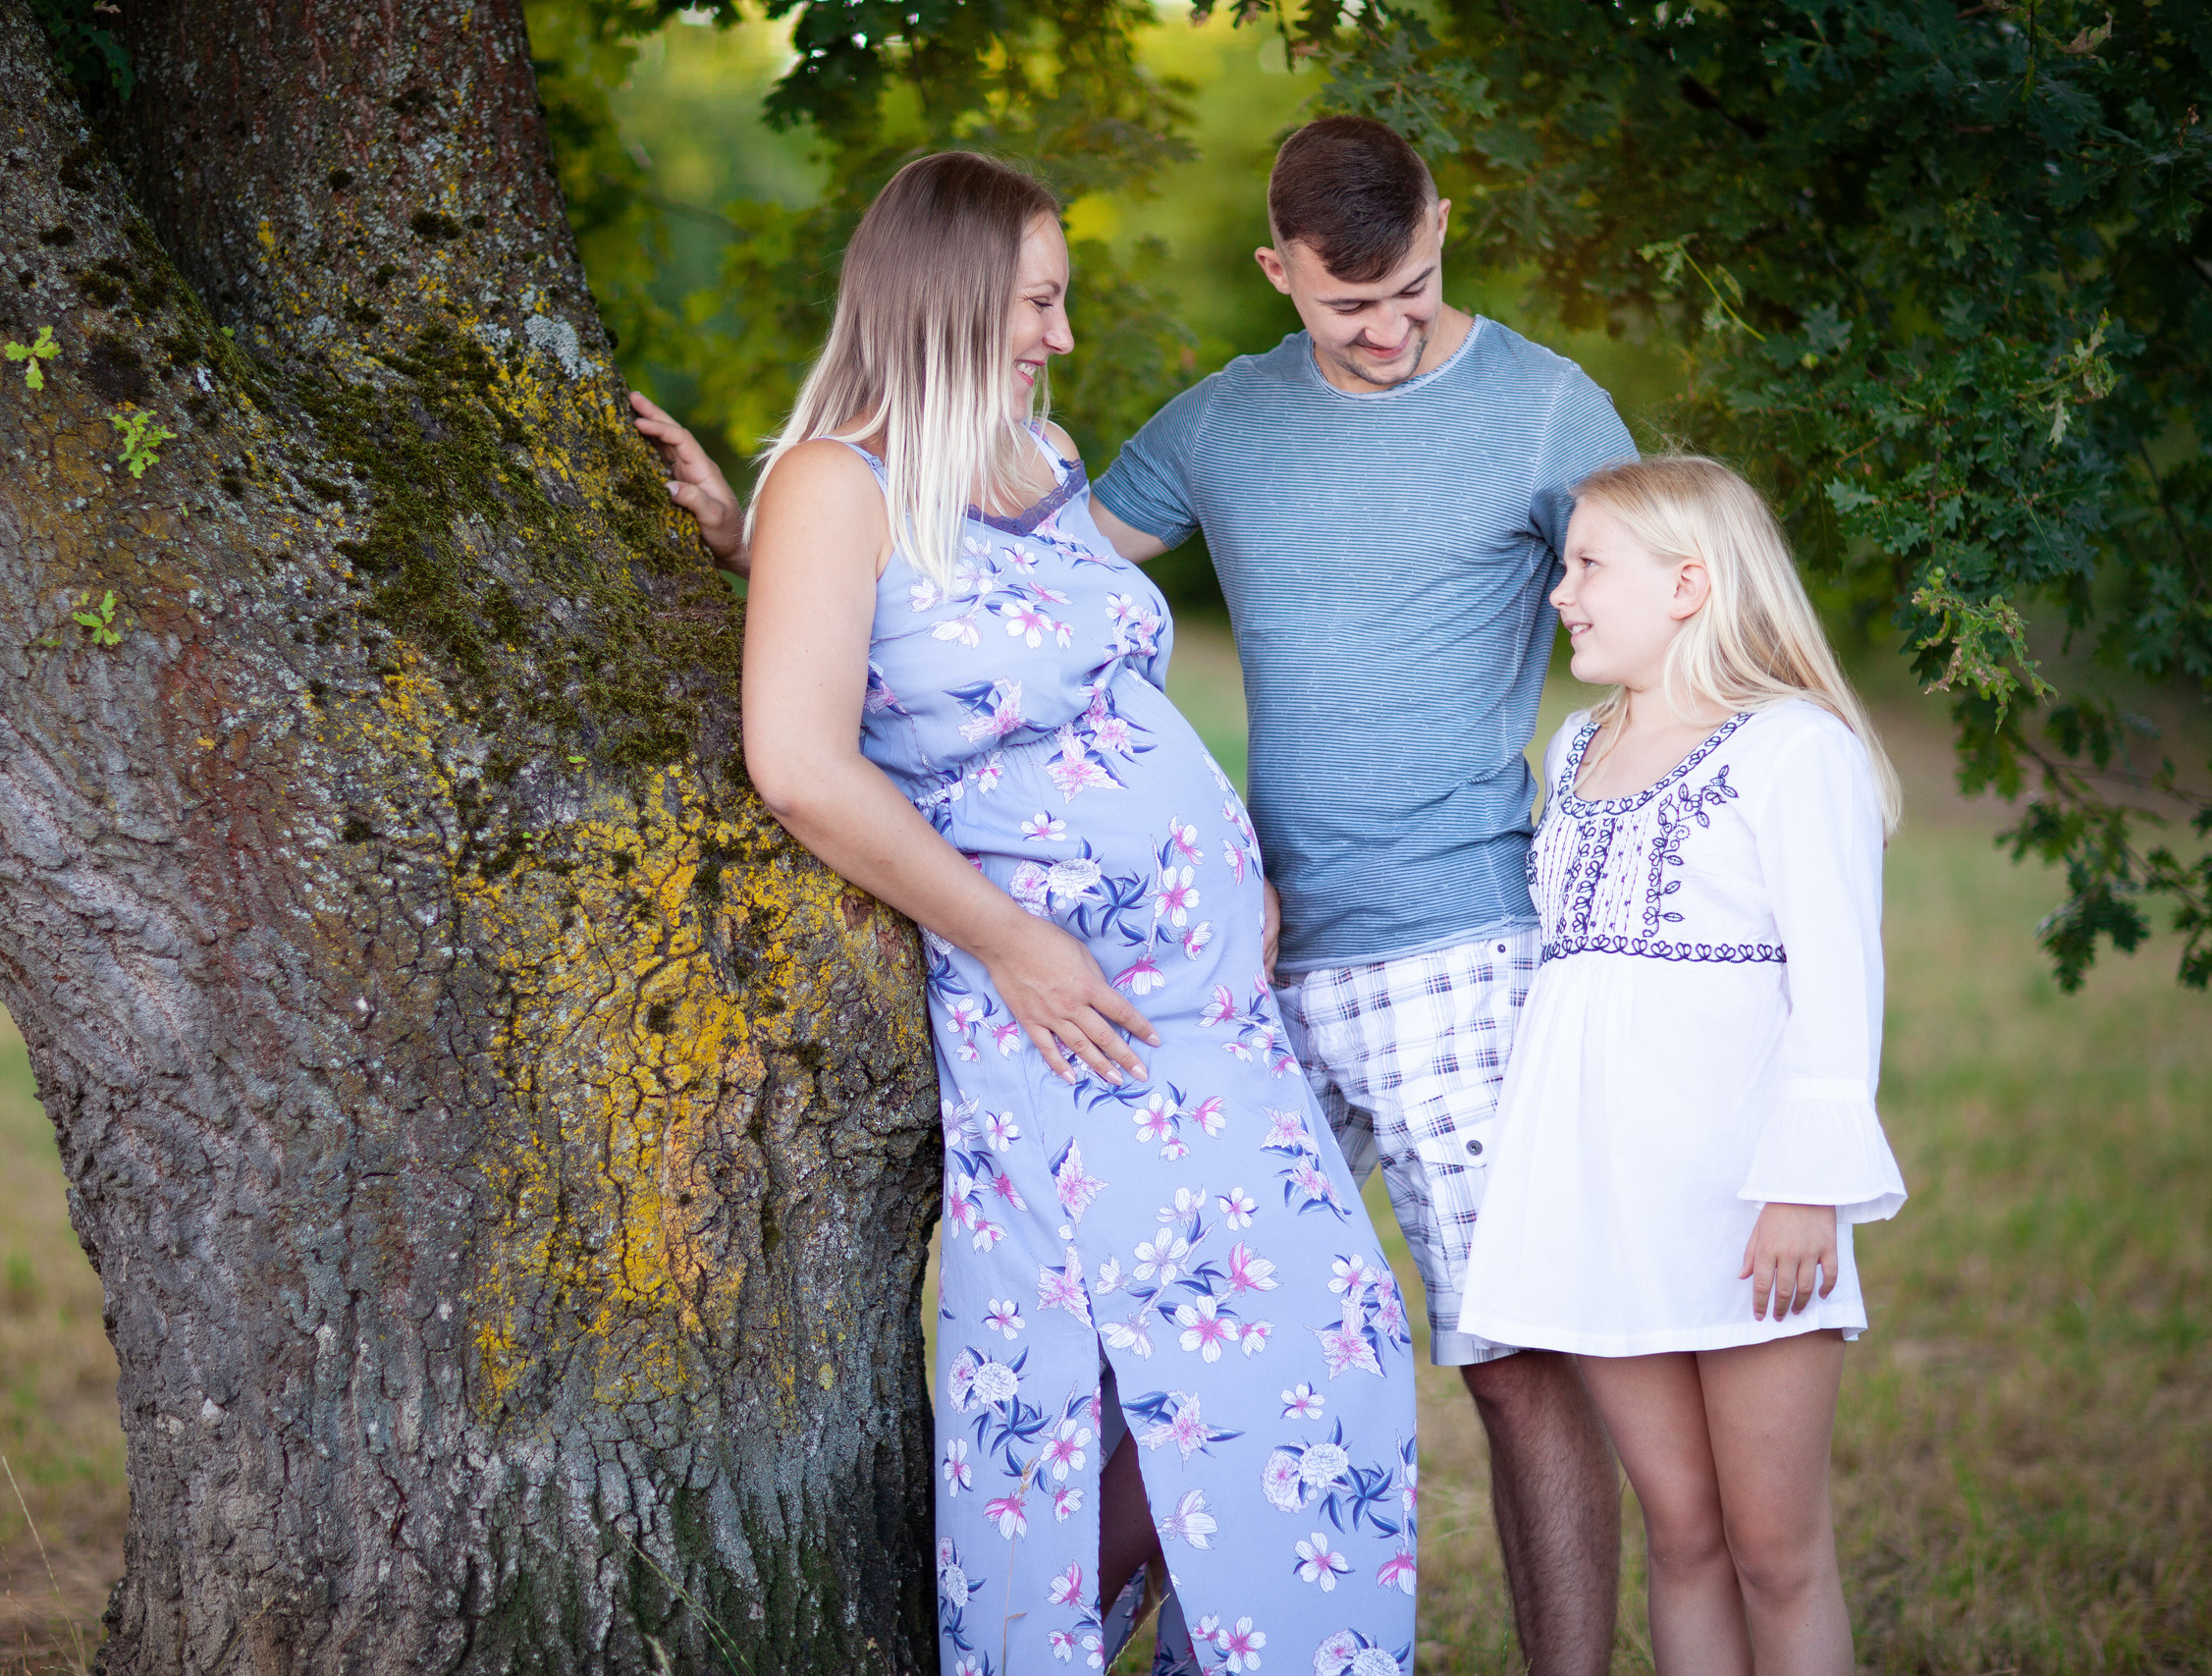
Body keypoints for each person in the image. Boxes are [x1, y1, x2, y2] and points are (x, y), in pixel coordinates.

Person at [646, 150, 1421, 1676]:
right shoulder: (830, 481)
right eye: (1038, 303)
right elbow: (799, 759)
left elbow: (1075, 677)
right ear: (943, 303)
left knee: (1324, 1353)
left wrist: (1236, 857)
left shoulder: (1034, 457)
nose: (1063, 336)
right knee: (1086, 1391)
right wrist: (1010, 939)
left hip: (1209, 1004)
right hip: (1070, 1022)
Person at [1084, 116, 1638, 1673]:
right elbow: (1035, 588)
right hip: (1252, 969)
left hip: (1465, 952)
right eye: (1349, 307)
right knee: (1198, 1348)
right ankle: (1055, 1642)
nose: (1390, 331)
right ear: (1279, 274)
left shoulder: (1544, 409)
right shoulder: (1217, 425)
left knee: (1517, 1359)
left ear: (1444, 226)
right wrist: (773, 542)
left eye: (1415, 287)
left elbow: (1673, 614)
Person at [1458, 457, 1906, 1674]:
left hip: (1746, 1199)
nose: (1562, 593)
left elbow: (1837, 985)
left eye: (1590, 566)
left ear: (1690, 584)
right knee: (1684, 1534)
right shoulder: (1578, 745)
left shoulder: (1790, 749)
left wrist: (1806, 1184)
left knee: (1774, 1548)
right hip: (1607, 1198)